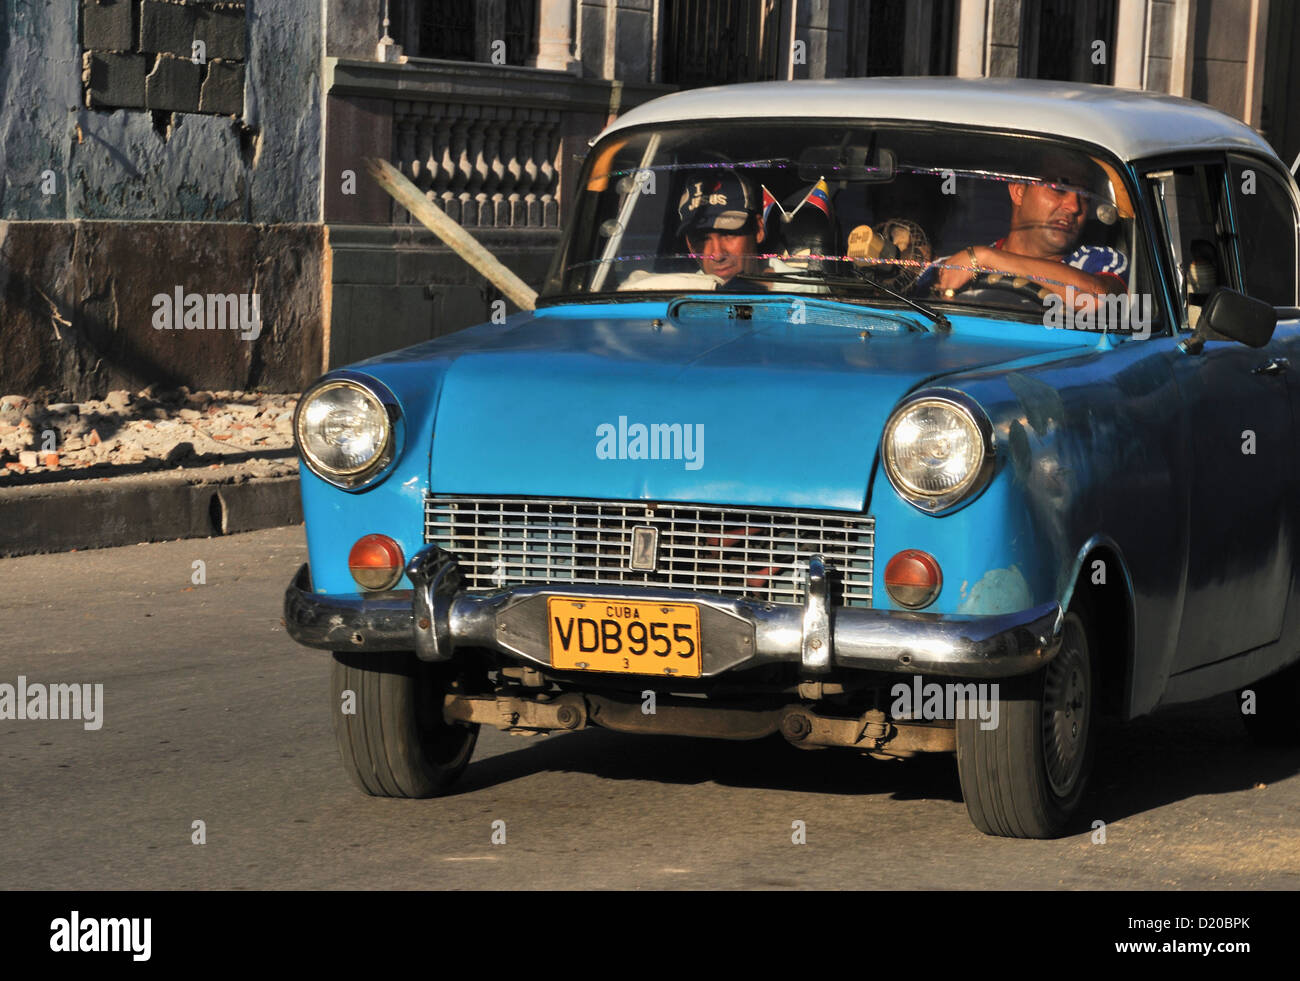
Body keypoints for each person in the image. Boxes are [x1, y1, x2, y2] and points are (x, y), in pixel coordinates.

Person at [926, 169, 1129, 307]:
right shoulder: (948, 267)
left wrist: (986, 258)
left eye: (1084, 197)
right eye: (1059, 189)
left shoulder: (1101, 262)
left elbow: (1099, 299)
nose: (1074, 207)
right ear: (1018, 192)